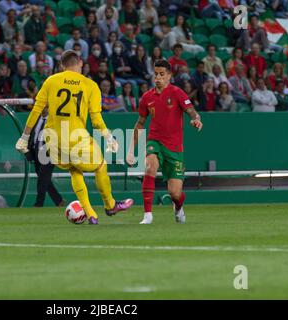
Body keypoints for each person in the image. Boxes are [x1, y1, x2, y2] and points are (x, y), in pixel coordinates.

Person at [16, 50, 134, 224]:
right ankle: (110, 205)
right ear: (79, 62)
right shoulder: (90, 85)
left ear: (62, 65)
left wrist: (24, 137)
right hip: (76, 139)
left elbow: (36, 111)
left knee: (74, 169)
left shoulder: (51, 81)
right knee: (100, 165)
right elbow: (96, 120)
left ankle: (90, 214)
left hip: (53, 142)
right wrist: (109, 137)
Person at [126, 59, 203, 225]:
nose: (158, 78)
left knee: (175, 193)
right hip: (155, 141)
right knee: (149, 165)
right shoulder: (147, 97)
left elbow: (191, 111)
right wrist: (131, 150)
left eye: (162, 74)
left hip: (175, 148)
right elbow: (140, 123)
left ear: (169, 75)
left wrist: (196, 120)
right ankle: (147, 214)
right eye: (156, 74)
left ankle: (178, 207)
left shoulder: (177, 93)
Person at [24, 107, 66, 207]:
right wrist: (28, 151)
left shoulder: (54, 121)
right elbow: (31, 136)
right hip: (36, 153)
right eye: (42, 106)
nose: (43, 109)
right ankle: (59, 200)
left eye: (46, 107)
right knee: (44, 179)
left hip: (49, 153)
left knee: (42, 178)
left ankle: (39, 204)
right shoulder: (35, 119)